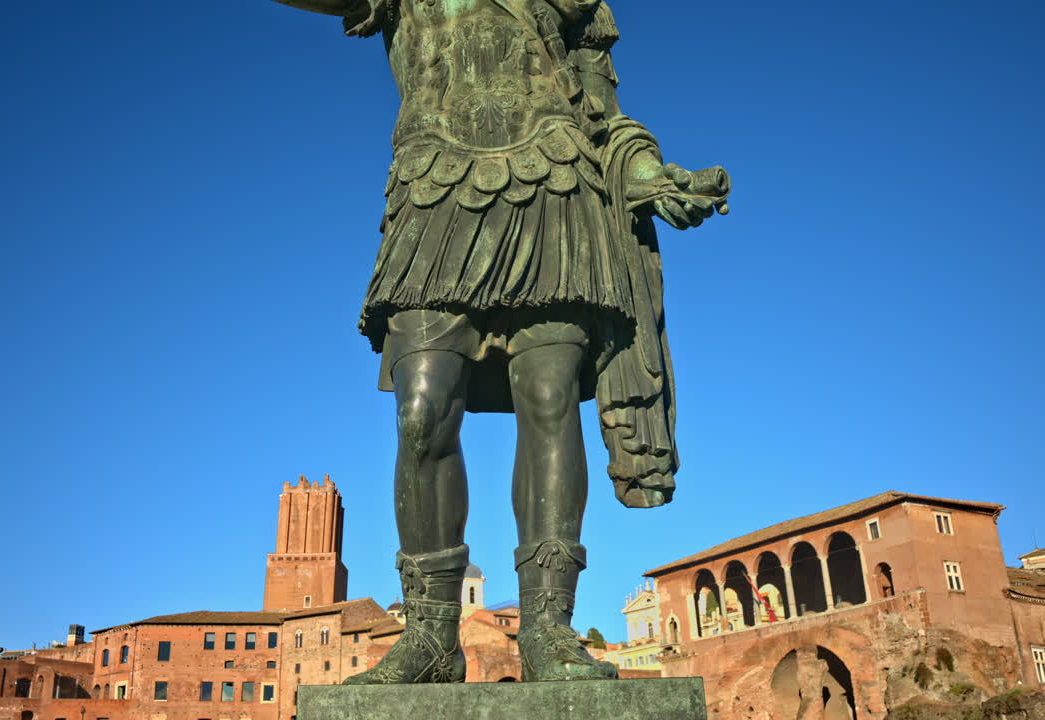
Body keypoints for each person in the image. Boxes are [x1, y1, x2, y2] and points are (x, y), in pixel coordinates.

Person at [269, 0, 729, 682]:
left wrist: (643, 176)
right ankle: (429, 636)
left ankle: (547, 627)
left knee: (548, 398)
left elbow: (601, 115)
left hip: (555, 187)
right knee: (422, 407)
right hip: (435, 189)